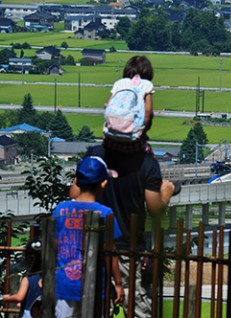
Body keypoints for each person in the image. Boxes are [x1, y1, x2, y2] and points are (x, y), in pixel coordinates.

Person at [70, 141, 176, 317]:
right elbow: (154, 209)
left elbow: (74, 194)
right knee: (136, 303)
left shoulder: (96, 155)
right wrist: (165, 193)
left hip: (92, 248)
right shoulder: (144, 164)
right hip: (128, 246)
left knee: (97, 305)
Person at [54, 156, 125, 318]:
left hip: (63, 285)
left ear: (76, 182)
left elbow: (53, 246)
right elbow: (109, 252)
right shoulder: (105, 213)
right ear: (104, 183)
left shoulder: (60, 210)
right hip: (93, 285)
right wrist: (118, 283)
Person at [105, 55, 155, 155]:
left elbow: (108, 105)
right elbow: (148, 111)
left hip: (112, 133)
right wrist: (143, 131)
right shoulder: (146, 84)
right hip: (133, 134)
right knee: (150, 159)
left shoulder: (119, 83)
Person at [2, 240, 43, 318]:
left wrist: (7, 298)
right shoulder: (48, 278)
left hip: (28, 313)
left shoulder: (27, 279)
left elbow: (19, 297)